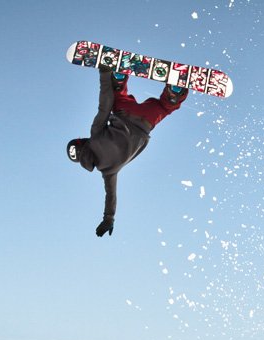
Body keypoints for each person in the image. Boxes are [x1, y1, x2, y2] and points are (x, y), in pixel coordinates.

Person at [67, 66, 188, 237]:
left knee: (165, 106)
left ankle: (174, 92)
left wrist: (109, 219)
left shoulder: (107, 172)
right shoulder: (95, 136)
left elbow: (110, 197)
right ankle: (118, 78)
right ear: (81, 143)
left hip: (146, 121)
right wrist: (105, 74)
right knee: (117, 96)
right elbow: (104, 105)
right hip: (124, 112)